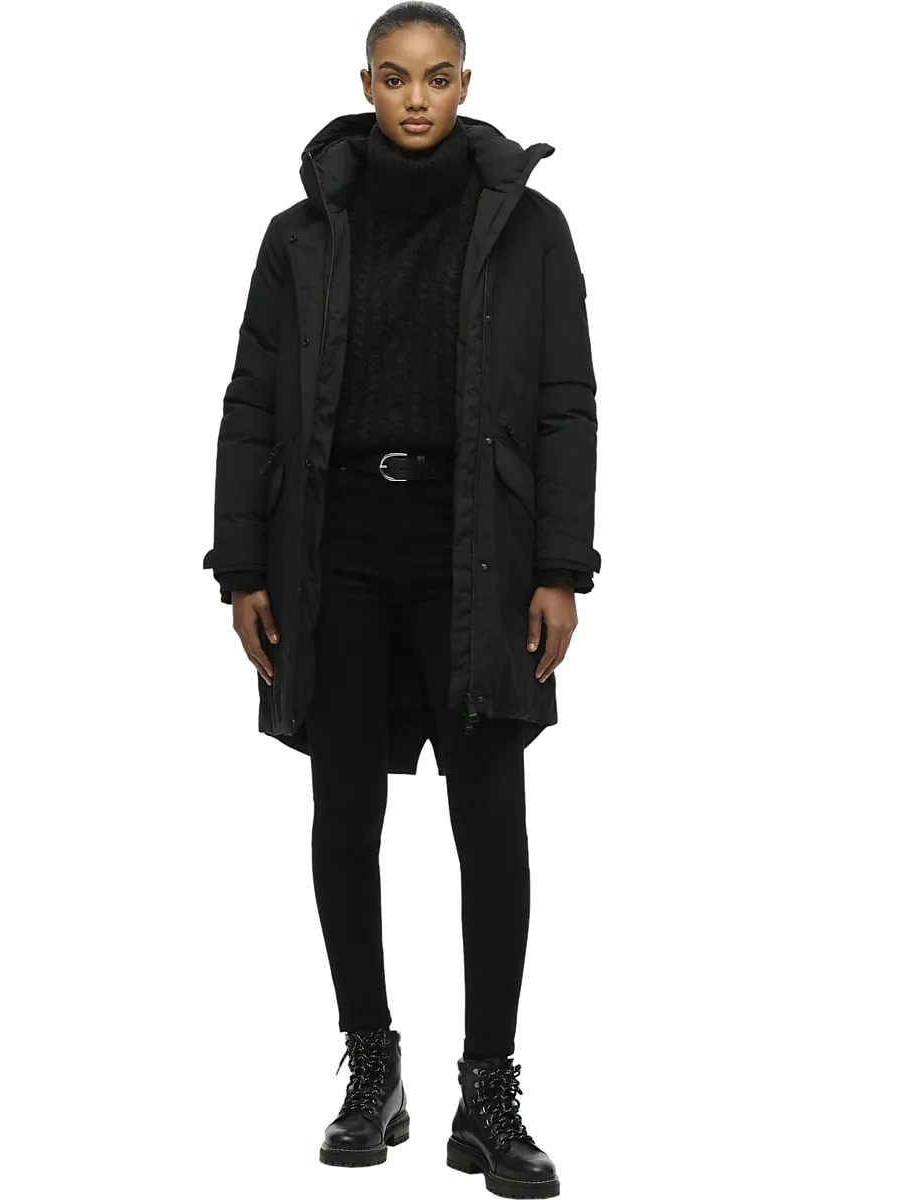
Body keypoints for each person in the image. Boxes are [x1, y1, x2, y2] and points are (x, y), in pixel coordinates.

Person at [202, 4, 597, 1193]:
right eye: (393, 77)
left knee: (491, 817)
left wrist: (561, 569)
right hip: (337, 547)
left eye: (436, 78)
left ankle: (488, 1095)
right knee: (342, 813)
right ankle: (372, 1074)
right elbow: (252, 406)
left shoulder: (530, 228)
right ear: (365, 85)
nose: (415, 98)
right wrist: (242, 567)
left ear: (465, 83)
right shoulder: (302, 235)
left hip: (478, 546)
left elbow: (567, 406)